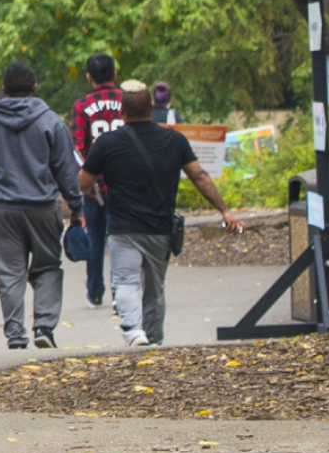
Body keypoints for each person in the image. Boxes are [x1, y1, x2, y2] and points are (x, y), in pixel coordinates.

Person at [77, 79, 245, 347]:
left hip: (123, 228)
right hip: (159, 228)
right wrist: (224, 210)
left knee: (125, 280)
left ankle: (133, 330)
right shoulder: (174, 140)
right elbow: (199, 177)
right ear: (151, 108)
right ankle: (153, 341)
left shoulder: (107, 143)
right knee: (155, 288)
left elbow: (83, 182)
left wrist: (89, 194)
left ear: (122, 112)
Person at [0, 61, 81, 350]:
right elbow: (66, 170)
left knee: (9, 272)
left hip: (3, 209)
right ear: (34, 89)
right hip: (44, 208)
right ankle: (44, 326)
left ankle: (15, 335)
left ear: (4, 89)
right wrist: (77, 208)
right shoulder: (52, 123)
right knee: (47, 266)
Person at [69, 53, 125, 308]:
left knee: (95, 237)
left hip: (93, 185)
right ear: (114, 74)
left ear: (89, 77)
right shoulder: (127, 100)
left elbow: (78, 147)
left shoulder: (82, 105)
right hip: (124, 184)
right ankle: (119, 288)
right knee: (119, 237)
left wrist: (83, 181)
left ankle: (95, 291)